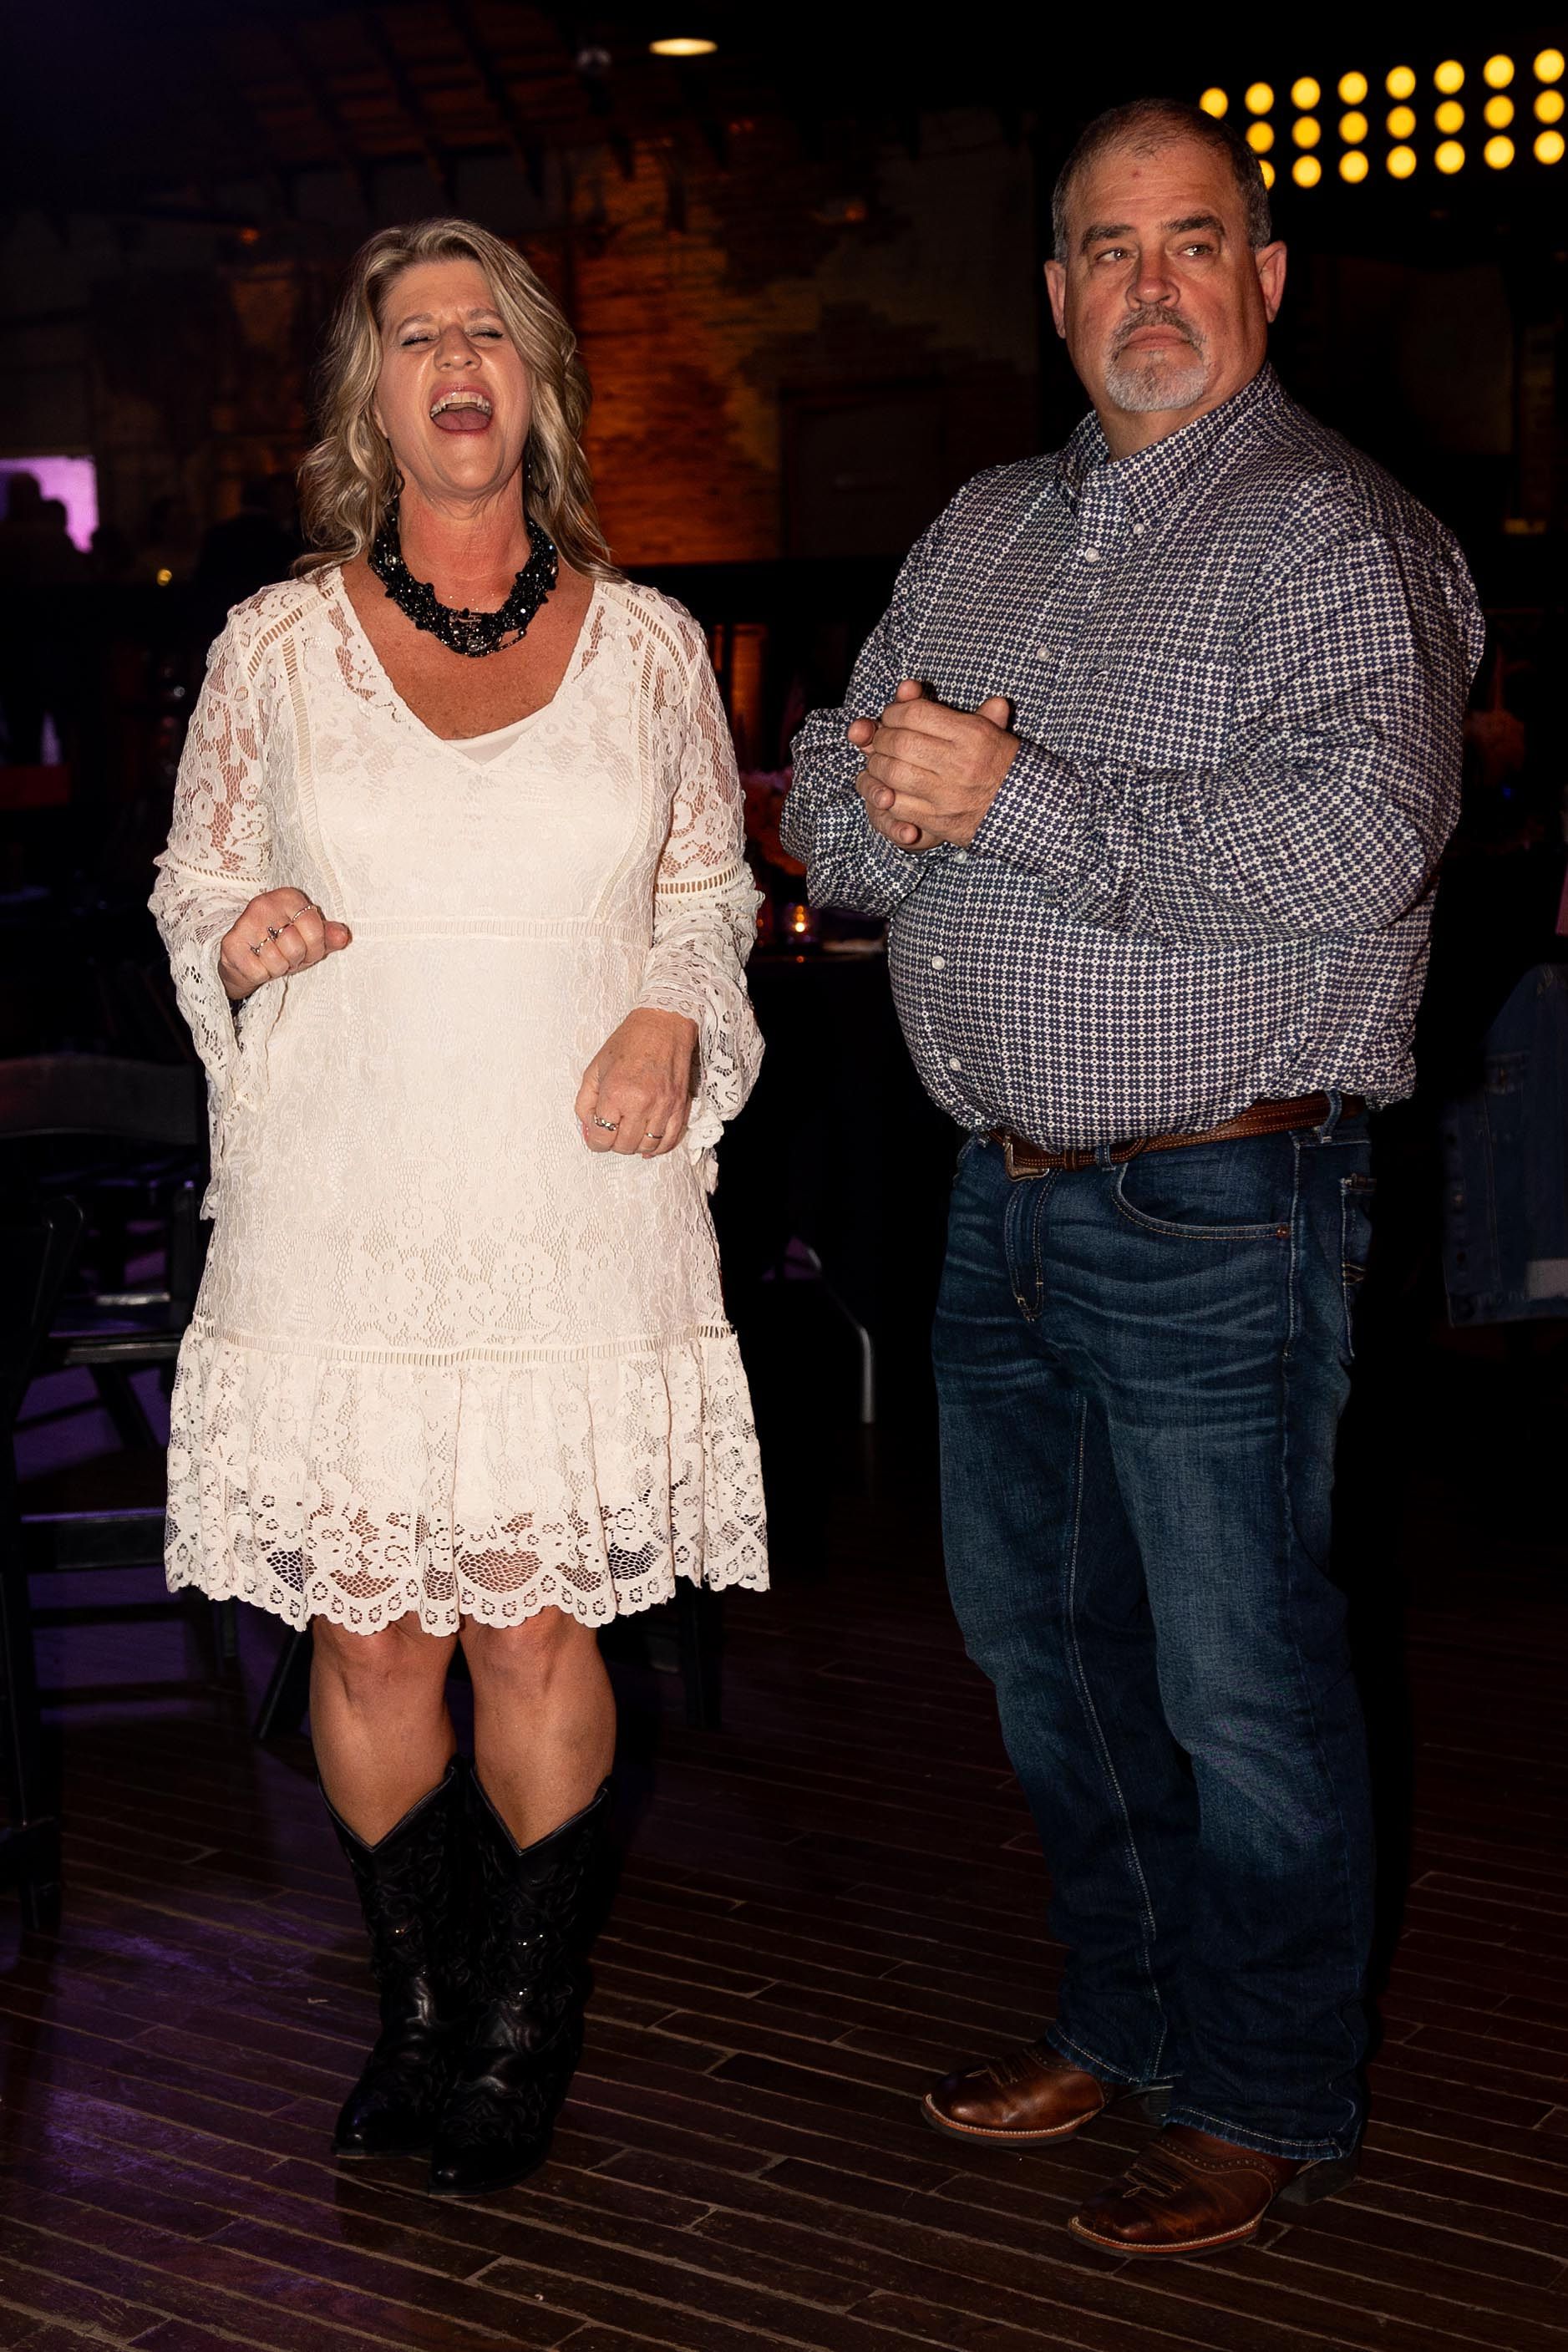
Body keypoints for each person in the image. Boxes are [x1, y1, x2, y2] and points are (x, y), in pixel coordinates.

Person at [784, 99, 1483, 2258]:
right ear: (1056, 287)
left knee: (1232, 1683)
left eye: (1192, 242)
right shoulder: (980, 525)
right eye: (1103, 248)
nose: (1146, 286)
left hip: (1217, 1201)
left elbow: (1355, 849)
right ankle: (1124, 2014)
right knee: (1045, 1660)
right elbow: (821, 809)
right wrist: (891, 808)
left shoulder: (1331, 539)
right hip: (993, 1193)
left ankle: (1260, 2091)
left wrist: (1003, 807)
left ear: (1263, 279)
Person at [151, 217, 768, 2199]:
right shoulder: (271, 646)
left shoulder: (655, 646)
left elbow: (706, 895)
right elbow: (190, 881)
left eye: (491, 331)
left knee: (527, 1625)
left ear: (536, 386)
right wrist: (236, 928)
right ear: (374, 396)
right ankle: (416, 2003)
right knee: (373, 1641)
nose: (457, 362)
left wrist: (679, 1010)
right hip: (349, 1190)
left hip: (569, 1199)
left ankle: (521, 2013)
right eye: (418, 336)